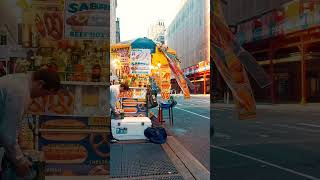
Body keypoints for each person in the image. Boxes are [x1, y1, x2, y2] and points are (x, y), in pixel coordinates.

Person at [0, 68, 60, 178]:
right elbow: (8, 136)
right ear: (40, 83)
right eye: (44, 94)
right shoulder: (19, 92)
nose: (42, 97)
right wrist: (20, 162)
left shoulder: (21, 81)